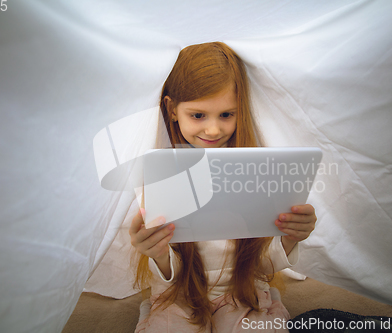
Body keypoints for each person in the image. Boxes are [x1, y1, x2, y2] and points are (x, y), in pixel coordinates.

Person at [129, 42, 317, 332]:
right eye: (198, 115)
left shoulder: (257, 168)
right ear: (172, 109)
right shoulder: (160, 170)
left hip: (242, 295)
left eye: (226, 115)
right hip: (179, 296)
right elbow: (169, 273)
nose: (213, 129)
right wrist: (156, 253)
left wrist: (291, 237)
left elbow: (263, 267)